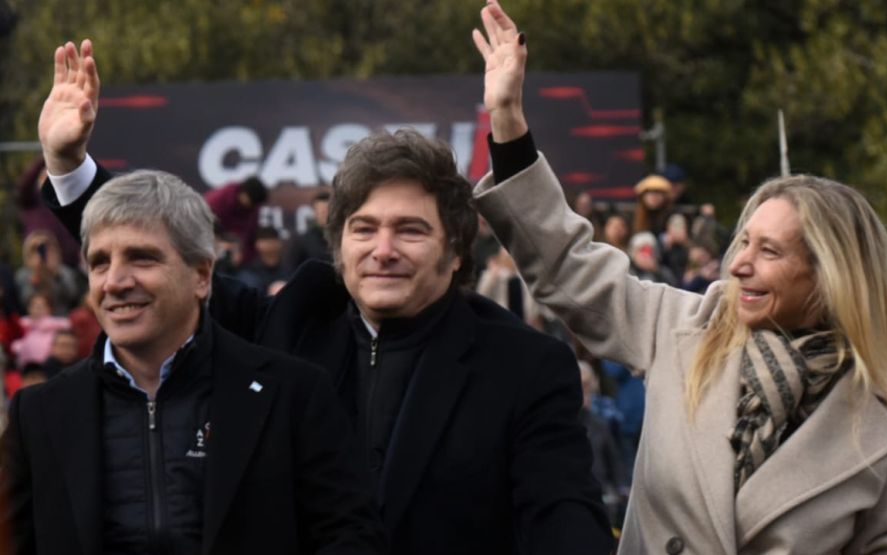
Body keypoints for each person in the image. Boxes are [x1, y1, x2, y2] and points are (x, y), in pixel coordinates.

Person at [37, 39, 612, 555]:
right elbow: (161, 262)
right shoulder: (291, 322)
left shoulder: (522, 366)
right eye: (363, 229)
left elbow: (563, 520)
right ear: (337, 244)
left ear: (456, 250)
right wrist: (69, 167)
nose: (382, 249)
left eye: (409, 230)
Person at [471, 2, 887, 553]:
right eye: (743, 241)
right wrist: (507, 120)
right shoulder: (686, 328)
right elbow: (566, 265)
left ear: (831, 277)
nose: (739, 262)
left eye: (769, 251)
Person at [3, 65, 386, 552]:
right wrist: (65, 163)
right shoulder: (39, 414)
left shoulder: (292, 393)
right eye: (99, 263)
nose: (116, 281)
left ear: (202, 276)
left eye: (142, 259)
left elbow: (349, 536)